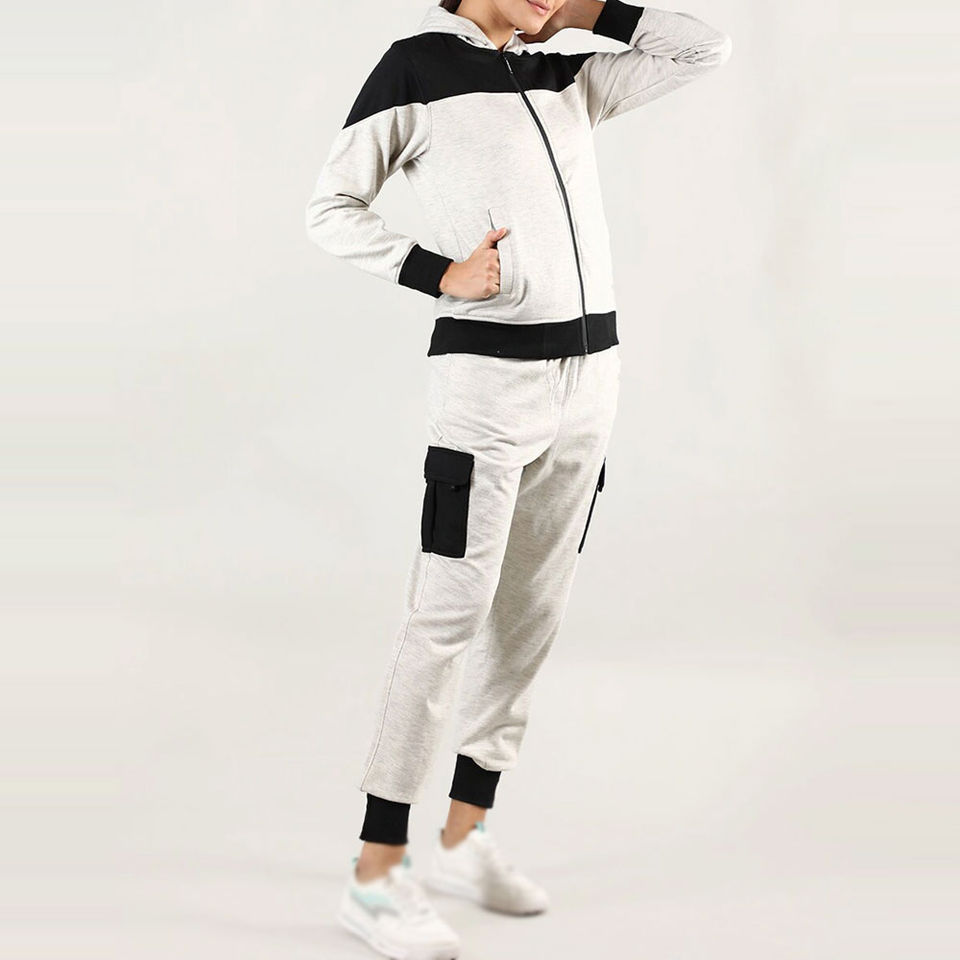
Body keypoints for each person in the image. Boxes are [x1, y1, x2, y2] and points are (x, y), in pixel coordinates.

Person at [305, 1, 731, 956]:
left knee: (531, 614)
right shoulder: (416, 67)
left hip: (592, 381)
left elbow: (704, 48)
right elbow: (329, 208)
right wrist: (435, 272)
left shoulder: (567, 74)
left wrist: (583, 14)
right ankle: (375, 874)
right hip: (488, 390)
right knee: (447, 618)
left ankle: (464, 836)